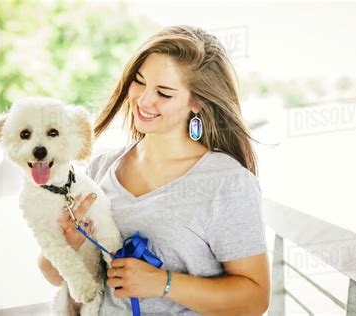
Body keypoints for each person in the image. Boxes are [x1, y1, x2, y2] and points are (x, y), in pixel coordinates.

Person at [39, 24, 271, 315]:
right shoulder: (101, 166)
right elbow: (54, 275)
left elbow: (255, 298)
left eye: (164, 93)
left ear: (197, 101)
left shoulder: (227, 182)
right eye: (139, 81)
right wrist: (68, 244)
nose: (144, 100)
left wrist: (163, 283)